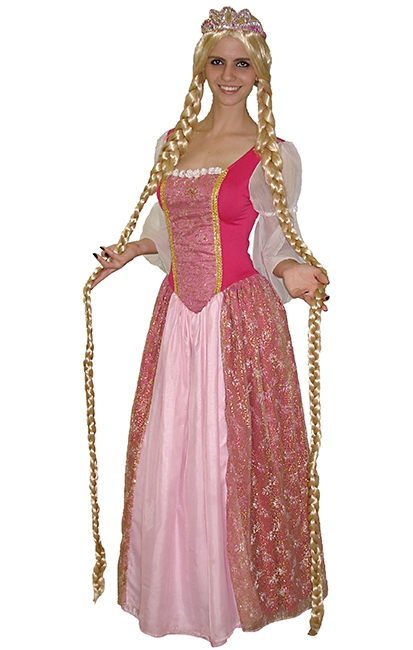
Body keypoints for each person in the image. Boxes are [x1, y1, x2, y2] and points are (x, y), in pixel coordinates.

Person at [83, 7, 329, 646]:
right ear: (201, 67)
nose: (228, 74)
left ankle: (228, 594)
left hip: (239, 318)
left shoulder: (274, 153)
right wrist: (133, 251)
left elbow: (275, 237)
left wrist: (294, 271)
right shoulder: (172, 142)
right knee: (175, 446)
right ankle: (176, 591)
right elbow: (166, 228)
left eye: (242, 64)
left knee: (229, 451)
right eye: (217, 61)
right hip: (177, 316)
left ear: (260, 73)